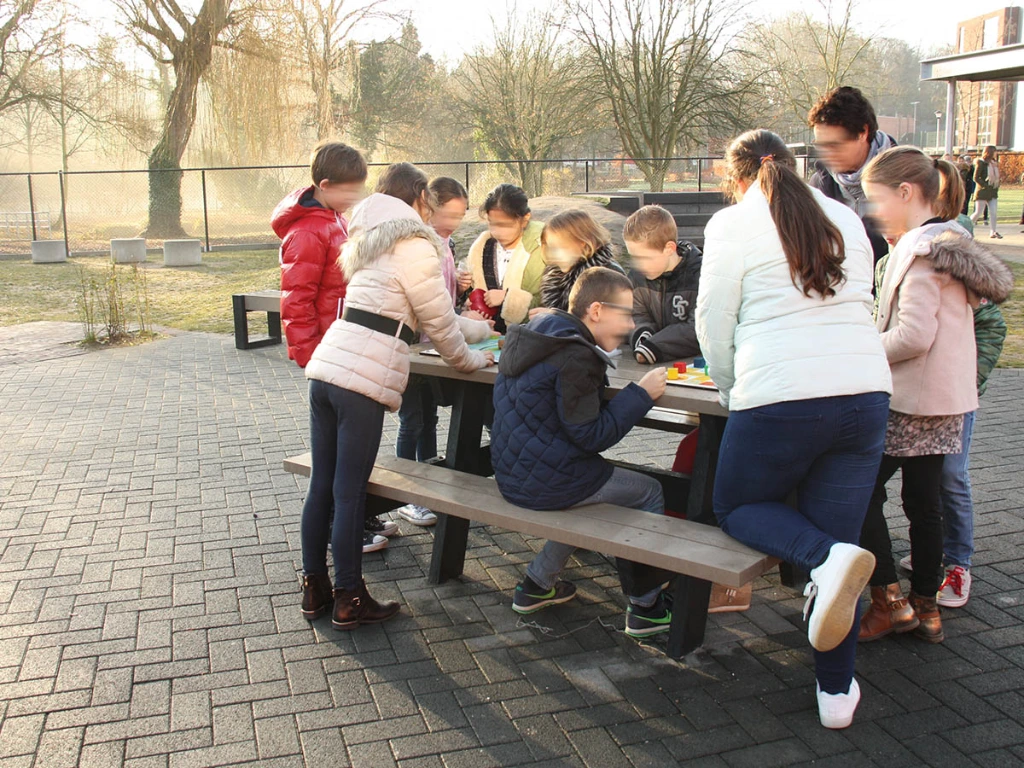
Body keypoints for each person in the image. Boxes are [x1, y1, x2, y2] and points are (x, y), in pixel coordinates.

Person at [696, 129, 893, 730]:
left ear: (735, 177)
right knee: (842, 549)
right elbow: (865, 304)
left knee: (736, 506)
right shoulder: (843, 215)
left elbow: (713, 320)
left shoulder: (732, 225)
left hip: (779, 397)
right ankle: (835, 693)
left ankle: (823, 558)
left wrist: (731, 389)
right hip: (864, 393)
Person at [298, 189, 495, 630]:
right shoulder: (418, 247)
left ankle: (315, 589)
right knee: (349, 493)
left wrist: (479, 328)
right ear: (418, 205)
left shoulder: (372, 245)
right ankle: (350, 597)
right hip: (362, 380)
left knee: (322, 487)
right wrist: (473, 357)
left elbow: (425, 318)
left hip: (329, 367)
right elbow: (442, 328)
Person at [857, 147, 1013, 647]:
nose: (874, 212)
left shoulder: (921, 254)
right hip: (945, 401)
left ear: (906, 193)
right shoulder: (950, 248)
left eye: (877, 200)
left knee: (857, 492)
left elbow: (913, 336)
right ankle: (927, 611)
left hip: (911, 401)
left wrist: (862, 350)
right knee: (924, 505)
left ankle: (890, 601)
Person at [490, 267, 675, 638]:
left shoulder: (541, 337)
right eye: (624, 313)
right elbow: (591, 436)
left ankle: (538, 585)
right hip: (548, 482)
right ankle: (646, 605)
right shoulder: (575, 355)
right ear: (595, 311)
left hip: (512, 475)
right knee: (648, 492)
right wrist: (641, 395)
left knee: (588, 491)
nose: (628, 325)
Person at [896, 169, 1007, 609]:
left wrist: (966, 384)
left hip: (951, 396)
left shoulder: (953, 258)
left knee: (950, 477)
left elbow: (990, 329)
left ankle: (958, 562)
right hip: (913, 394)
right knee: (920, 486)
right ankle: (930, 559)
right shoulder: (901, 253)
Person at [393, 176, 490, 527]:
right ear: (429, 208)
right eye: (448, 214)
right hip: (414, 346)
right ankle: (405, 493)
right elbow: (427, 304)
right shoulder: (420, 243)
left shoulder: (444, 244)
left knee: (431, 418)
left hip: (435, 346)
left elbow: (445, 302)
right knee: (412, 421)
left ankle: (430, 487)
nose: (453, 222)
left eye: (461, 215)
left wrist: (460, 291)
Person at [272, 141, 367, 368]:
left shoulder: (338, 219)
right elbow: (297, 299)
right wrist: (311, 355)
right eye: (349, 191)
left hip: (344, 337)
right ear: (325, 185)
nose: (354, 198)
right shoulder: (307, 232)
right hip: (326, 346)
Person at [808, 86, 896, 264]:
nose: (827, 154)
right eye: (821, 145)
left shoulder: (906, 178)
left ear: (862, 133)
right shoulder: (818, 186)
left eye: (835, 145)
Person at [623, 205, 703, 363]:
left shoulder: (701, 276)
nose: (639, 265)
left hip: (695, 367)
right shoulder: (637, 278)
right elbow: (635, 316)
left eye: (645, 258)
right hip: (652, 364)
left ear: (669, 249)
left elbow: (699, 328)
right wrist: (641, 334)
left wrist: (654, 346)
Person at [467, 184, 545, 332]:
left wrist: (508, 298)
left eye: (506, 225)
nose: (498, 232)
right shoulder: (482, 248)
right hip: (486, 342)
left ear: (525, 219)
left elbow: (549, 304)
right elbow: (470, 292)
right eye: (492, 224)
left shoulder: (541, 250)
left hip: (527, 340)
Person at [533, 209, 624, 314]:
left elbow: (608, 322)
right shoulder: (553, 276)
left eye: (560, 248)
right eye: (551, 248)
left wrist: (556, 316)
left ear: (583, 242)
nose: (554, 255)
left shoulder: (609, 275)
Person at [970, 145, 1002, 239]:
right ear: (990, 152)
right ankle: (965, 227)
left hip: (992, 191)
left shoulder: (994, 163)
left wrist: (997, 184)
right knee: (978, 212)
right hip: (982, 191)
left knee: (993, 212)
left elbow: (996, 176)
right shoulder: (981, 163)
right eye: (995, 152)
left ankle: (993, 231)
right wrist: (985, 185)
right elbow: (976, 177)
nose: (996, 154)